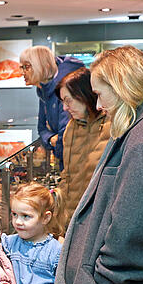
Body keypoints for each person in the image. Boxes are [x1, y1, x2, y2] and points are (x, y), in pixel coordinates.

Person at [46, 46, 143, 284]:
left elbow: (135, 230)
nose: (98, 105)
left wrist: (100, 278)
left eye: (101, 94)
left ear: (122, 87)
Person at [52, 68, 111, 234]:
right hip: (71, 221)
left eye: (68, 101)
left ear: (84, 95)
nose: (64, 108)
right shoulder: (71, 127)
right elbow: (68, 176)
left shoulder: (113, 125)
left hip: (100, 222)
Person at [19, 46, 84, 169]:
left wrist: (56, 143)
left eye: (27, 67)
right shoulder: (42, 90)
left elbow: (65, 136)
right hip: (64, 161)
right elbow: (42, 128)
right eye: (21, 67)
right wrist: (50, 139)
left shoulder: (64, 88)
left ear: (43, 65)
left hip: (75, 162)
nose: (22, 72)